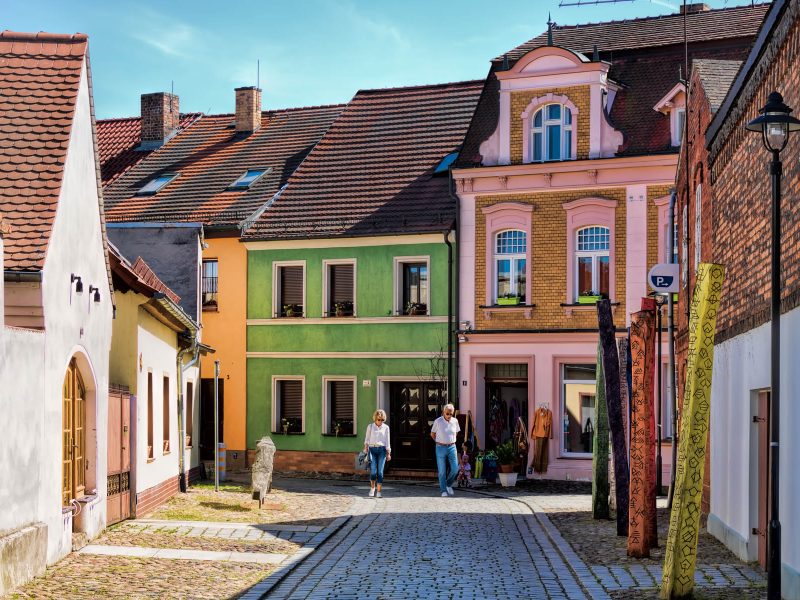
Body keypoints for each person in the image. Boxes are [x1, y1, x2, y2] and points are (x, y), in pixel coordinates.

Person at [430, 403, 460, 497]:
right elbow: (432, 434)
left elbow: (456, 433)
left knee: (455, 468)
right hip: (440, 447)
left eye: (451, 414)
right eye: (447, 413)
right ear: (443, 412)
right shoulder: (438, 421)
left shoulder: (455, 421)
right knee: (442, 471)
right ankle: (443, 490)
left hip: (452, 447)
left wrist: (451, 440)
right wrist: (438, 442)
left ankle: (448, 484)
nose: (449, 416)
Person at [363, 409, 391, 498]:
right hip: (372, 449)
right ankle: (372, 488)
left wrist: (388, 453)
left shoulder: (386, 428)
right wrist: (365, 448)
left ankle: (379, 492)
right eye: (379, 419)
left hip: (382, 450)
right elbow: (367, 439)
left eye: (382, 420)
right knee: (373, 471)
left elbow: (387, 441)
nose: (380, 421)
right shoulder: (370, 427)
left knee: (380, 472)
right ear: (375, 418)